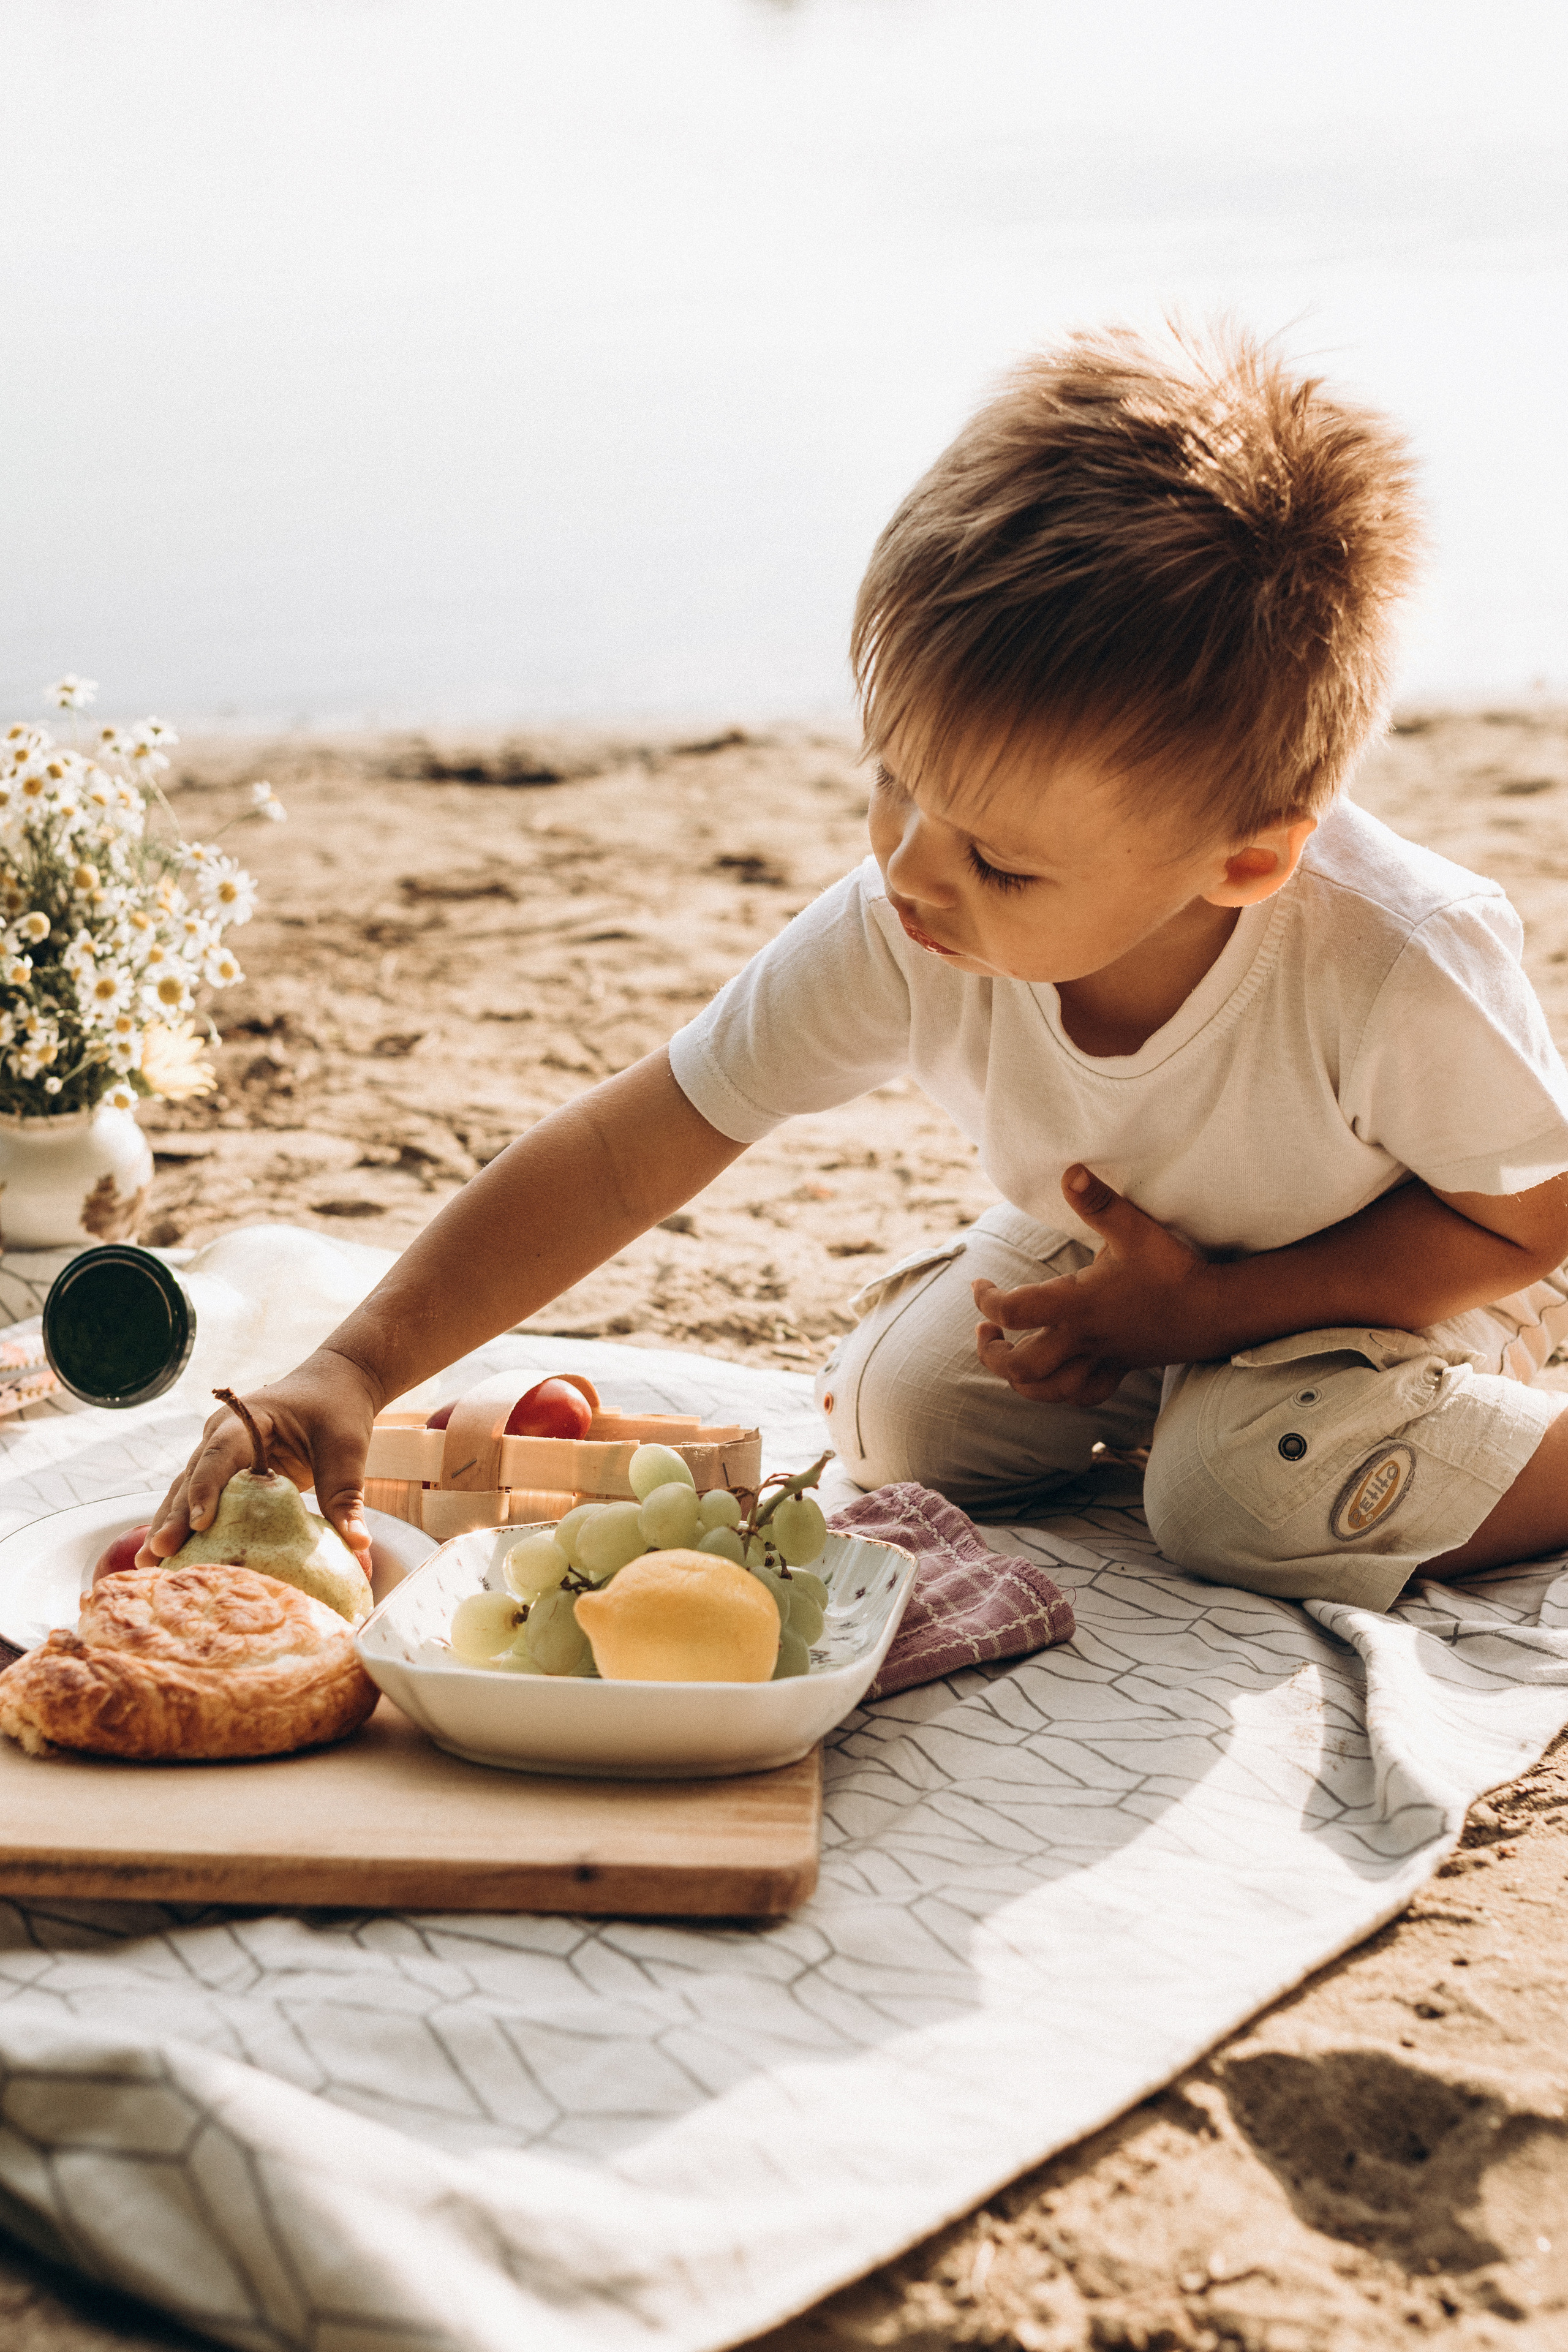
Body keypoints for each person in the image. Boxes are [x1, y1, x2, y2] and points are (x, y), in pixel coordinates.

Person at [146, 324, 1568, 1610]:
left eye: (1003, 862)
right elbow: (634, 1147)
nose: (908, 868)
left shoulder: (1392, 959)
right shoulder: (914, 909)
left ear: (1244, 864)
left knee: (1230, 1504)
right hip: (1141, 1248)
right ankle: (1193, 1382)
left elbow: (1526, 1229)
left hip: (1425, 1274)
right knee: (907, 1420)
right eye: (891, 781)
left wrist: (1202, 1315)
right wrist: (357, 1363)